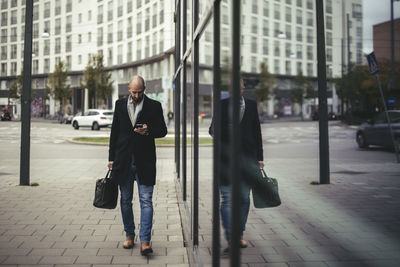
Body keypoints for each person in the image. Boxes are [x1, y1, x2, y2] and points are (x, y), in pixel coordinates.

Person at [108, 75, 167, 256]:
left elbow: (163, 131)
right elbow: (114, 133)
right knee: (125, 200)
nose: (136, 95)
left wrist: (148, 130)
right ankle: (129, 235)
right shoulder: (119, 105)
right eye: (133, 92)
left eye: (139, 92)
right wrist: (111, 159)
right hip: (123, 162)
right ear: (129, 89)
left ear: (144, 89)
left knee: (146, 201)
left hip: (145, 162)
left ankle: (145, 241)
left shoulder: (154, 106)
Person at [209, 78, 264, 253]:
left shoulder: (251, 105)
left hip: (247, 159)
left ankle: (239, 234)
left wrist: (260, 157)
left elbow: (257, 131)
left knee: (244, 198)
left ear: (242, 89)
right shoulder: (221, 104)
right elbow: (212, 130)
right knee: (227, 199)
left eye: (238, 88)